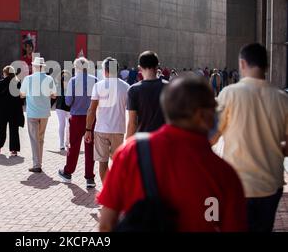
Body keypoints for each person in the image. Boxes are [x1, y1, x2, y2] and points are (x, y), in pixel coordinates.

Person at [98, 75, 247, 232]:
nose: (216, 115)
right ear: (200, 114)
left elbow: (106, 224)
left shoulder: (131, 153)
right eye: (214, 108)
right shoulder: (224, 174)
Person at [213, 43, 288, 232]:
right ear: (267, 65)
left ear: (242, 63)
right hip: (271, 183)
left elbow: (212, 137)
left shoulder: (229, 94)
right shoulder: (282, 98)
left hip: (238, 183)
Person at [84, 57, 129, 183]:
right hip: (118, 130)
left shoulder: (98, 86)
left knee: (102, 163)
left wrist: (88, 129)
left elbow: (91, 110)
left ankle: (106, 191)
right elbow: (130, 111)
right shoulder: (126, 87)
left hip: (101, 129)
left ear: (105, 70)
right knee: (117, 163)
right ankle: (115, 190)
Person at [58, 57, 98, 188]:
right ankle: (90, 177)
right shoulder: (95, 80)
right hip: (91, 117)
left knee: (74, 146)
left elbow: (68, 102)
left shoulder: (73, 81)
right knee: (90, 148)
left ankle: (68, 172)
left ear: (76, 68)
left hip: (76, 117)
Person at [20, 57, 57, 173]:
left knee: (34, 139)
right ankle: (39, 162)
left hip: (32, 113)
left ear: (35, 67)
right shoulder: (49, 79)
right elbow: (54, 95)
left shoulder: (28, 79)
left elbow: (21, 94)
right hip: (44, 113)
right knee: (40, 138)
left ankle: (37, 164)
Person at [126, 51, 168, 138]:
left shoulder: (134, 90)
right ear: (157, 66)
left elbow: (132, 123)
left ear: (139, 68)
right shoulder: (169, 87)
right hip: (164, 140)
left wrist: (127, 143)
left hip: (143, 142)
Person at [0, 65, 25, 156]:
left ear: (5, 73)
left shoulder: (1, 82)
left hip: (3, 109)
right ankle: (14, 149)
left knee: (1, 129)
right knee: (14, 129)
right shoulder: (18, 82)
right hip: (15, 109)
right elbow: (21, 97)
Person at [55, 70, 71, 151]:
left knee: (69, 126)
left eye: (66, 77)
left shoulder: (72, 86)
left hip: (69, 108)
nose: (65, 79)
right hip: (60, 107)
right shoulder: (57, 86)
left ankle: (67, 142)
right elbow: (54, 97)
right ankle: (61, 144)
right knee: (62, 125)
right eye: (63, 77)